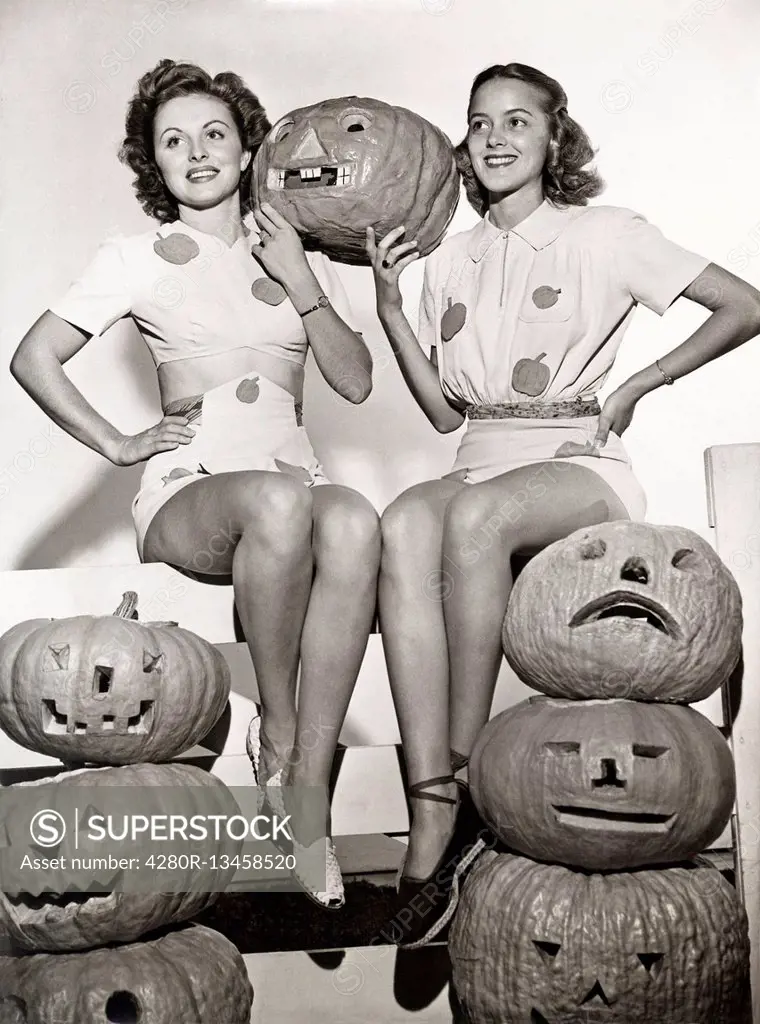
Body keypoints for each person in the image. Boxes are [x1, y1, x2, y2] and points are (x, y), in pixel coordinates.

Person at [366, 61, 760, 947]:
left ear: (555, 138)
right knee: (402, 522)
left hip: (579, 460)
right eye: (479, 123)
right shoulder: (449, 259)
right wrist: (392, 309)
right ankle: (428, 800)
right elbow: (442, 413)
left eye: (518, 121)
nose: (496, 137)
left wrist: (642, 384)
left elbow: (744, 304)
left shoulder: (605, 233)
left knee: (473, 519)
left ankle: (468, 797)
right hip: (479, 457)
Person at [10, 59, 381, 910]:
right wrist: (117, 442)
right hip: (193, 484)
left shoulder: (294, 247)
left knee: (356, 518)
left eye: (215, 133)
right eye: (172, 141)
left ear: (250, 147)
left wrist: (303, 281)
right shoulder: (133, 255)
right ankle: (278, 742)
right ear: (154, 163)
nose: (196, 151)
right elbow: (33, 356)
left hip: (293, 475)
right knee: (278, 503)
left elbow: (356, 382)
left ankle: (303, 805)